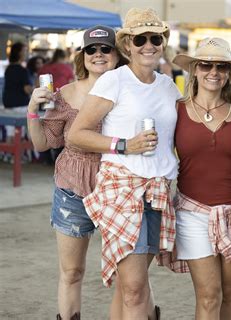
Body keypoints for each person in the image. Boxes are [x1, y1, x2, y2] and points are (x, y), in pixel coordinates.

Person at [68, 8, 180, 320]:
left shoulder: (169, 86)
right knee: (133, 287)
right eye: (140, 39)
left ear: (162, 43)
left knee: (131, 285)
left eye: (155, 38)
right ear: (127, 45)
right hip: (122, 189)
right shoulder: (113, 81)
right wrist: (125, 145)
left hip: (158, 192)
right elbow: (77, 134)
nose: (148, 45)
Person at [26, 25, 123, 320]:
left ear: (118, 54)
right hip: (72, 189)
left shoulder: (130, 92)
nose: (98, 54)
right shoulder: (65, 94)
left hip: (119, 186)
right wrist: (33, 109)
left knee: (128, 276)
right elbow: (43, 143)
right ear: (83, 56)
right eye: (91, 49)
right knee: (72, 272)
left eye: (105, 48)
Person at [171, 37, 231, 320]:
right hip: (193, 213)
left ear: (228, 72)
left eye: (221, 66)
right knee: (209, 296)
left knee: (228, 293)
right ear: (195, 70)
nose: (214, 72)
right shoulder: (175, 110)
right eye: (206, 65)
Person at [2, 42, 32, 110]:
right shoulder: (22, 70)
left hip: (7, 102)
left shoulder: (8, 68)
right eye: (25, 51)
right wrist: (36, 88)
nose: (26, 53)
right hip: (20, 104)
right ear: (19, 53)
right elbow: (27, 89)